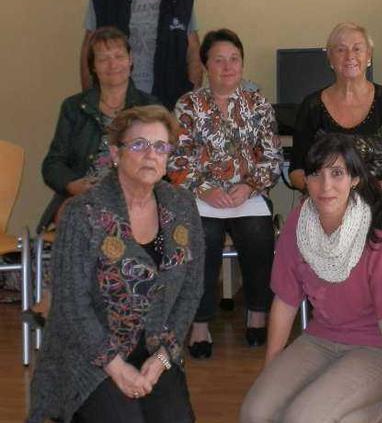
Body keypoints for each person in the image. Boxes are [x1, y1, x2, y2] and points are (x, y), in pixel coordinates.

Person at [28, 105, 204, 423]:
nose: (151, 154)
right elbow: (71, 304)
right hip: (90, 353)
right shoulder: (84, 213)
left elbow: (191, 289)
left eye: (160, 146)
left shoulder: (182, 206)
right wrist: (116, 366)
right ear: (115, 153)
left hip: (153, 348)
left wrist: (164, 358)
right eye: (139, 144)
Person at [240, 134, 382, 423]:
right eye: (316, 174)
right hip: (320, 339)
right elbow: (285, 302)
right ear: (305, 181)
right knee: (255, 413)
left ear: (355, 179)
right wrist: (270, 374)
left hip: (375, 348)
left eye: (337, 173)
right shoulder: (298, 222)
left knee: (301, 418)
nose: (326, 186)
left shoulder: (381, 234)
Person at [169, 28, 281, 359]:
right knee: (201, 237)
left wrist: (249, 186)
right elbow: (176, 159)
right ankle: (200, 322)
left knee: (260, 234)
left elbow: (272, 157)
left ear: (242, 64)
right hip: (202, 198)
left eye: (234, 59)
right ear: (205, 65)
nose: (228, 66)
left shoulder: (257, 103)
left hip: (248, 195)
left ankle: (257, 312)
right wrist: (204, 189)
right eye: (219, 60)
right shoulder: (188, 105)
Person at [40, 26, 159, 232]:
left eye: (118, 56)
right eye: (103, 59)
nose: (112, 65)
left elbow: (161, 160)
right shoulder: (73, 107)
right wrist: (72, 185)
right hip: (84, 195)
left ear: (130, 60)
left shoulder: (150, 107)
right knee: (72, 218)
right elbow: (52, 164)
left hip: (134, 194)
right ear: (93, 66)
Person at [289, 23, 382, 209]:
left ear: (369, 57)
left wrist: (379, 189)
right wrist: (327, 195)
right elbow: (296, 172)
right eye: (341, 50)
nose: (350, 56)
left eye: (357, 49)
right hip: (327, 204)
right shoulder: (311, 106)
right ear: (330, 59)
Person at [81, 0, 201, 109]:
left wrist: (188, 108)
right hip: (113, 106)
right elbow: (88, 52)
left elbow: (193, 54)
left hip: (167, 106)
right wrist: (90, 101)